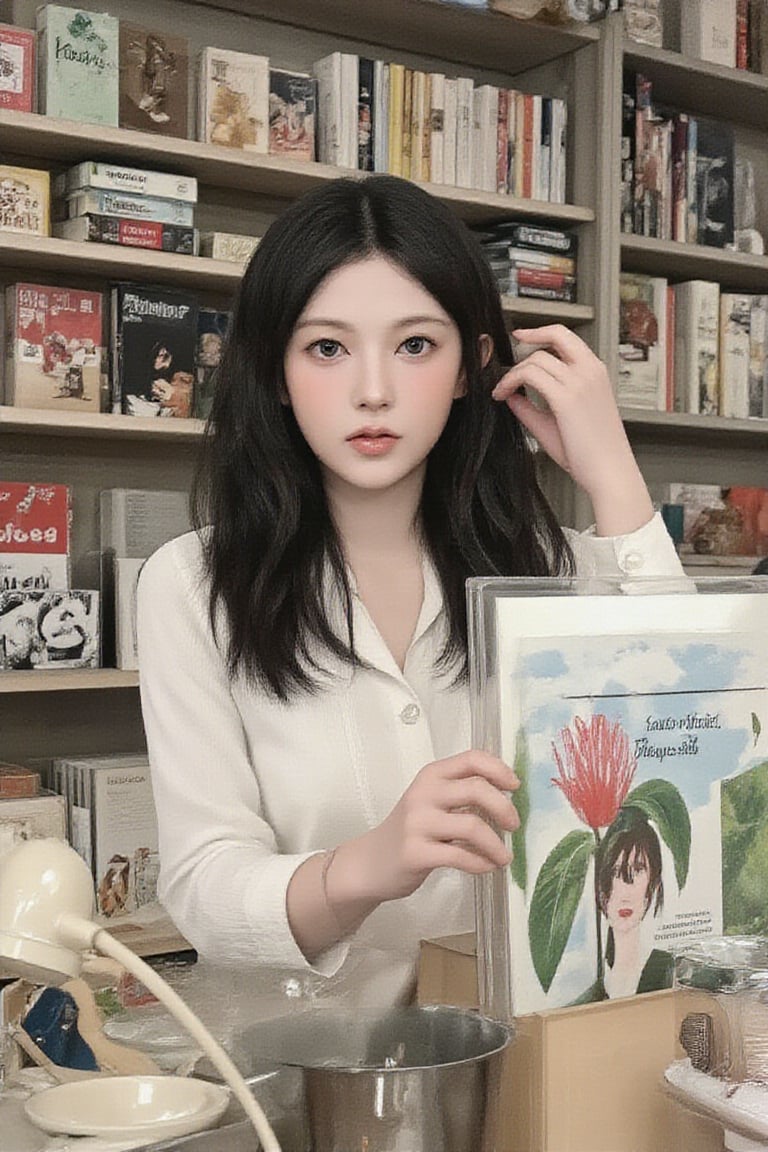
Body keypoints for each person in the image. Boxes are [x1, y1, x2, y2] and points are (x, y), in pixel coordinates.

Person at [136, 175, 686, 1012]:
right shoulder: (191, 585)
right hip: (307, 1089)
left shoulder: (558, 569)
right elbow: (205, 889)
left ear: (471, 367)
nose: (373, 391)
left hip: (540, 1074)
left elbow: (691, 737)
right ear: (276, 373)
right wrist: (367, 865)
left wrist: (614, 470)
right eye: (327, 348)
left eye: (415, 345)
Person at [572, 813, 674, 1004]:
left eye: (638, 869)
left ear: (653, 882)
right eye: (615, 872)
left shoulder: (668, 971)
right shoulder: (590, 997)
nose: (624, 891)